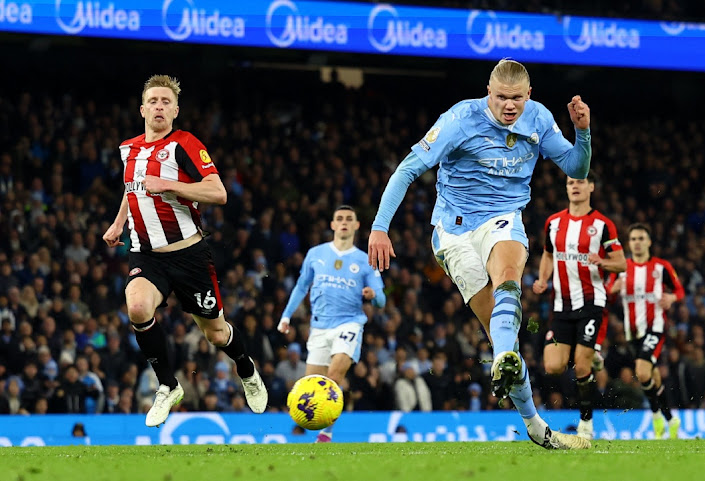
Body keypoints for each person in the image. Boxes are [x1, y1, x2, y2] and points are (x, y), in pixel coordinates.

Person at [368, 59, 591, 449]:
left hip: (503, 218)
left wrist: (583, 132)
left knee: (508, 276)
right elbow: (406, 170)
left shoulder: (537, 118)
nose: (509, 105)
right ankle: (536, 426)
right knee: (499, 329)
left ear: (529, 95)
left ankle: (504, 359)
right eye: (501, 97)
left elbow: (575, 165)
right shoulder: (459, 119)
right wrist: (379, 227)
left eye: (516, 98)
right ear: (488, 92)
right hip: (453, 232)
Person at [102, 74, 267, 427]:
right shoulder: (127, 148)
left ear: (175, 110)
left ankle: (247, 369)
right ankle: (167, 385)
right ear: (142, 108)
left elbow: (218, 192)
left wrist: (170, 185)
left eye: (166, 102)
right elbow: (133, 189)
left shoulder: (186, 144)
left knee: (217, 334)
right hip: (145, 254)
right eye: (154, 101)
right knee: (136, 305)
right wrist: (119, 223)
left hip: (188, 256)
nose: (159, 107)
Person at [278, 205, 386, 442]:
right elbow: (301, 287)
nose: (344, 222)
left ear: (357, 226)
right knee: (310, 387)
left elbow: (382, 299)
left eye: (349, 218)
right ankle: (311, 423)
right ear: (333, 225)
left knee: (334, 375)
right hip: (319, 327)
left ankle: (326, 431)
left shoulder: (365, 260)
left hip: (349, 324)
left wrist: (373, 296)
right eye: (339, 219)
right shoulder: (315, 254)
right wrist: (286, 316)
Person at [532, 172, 626, 440]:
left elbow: (621, 263)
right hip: (561, 306)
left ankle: (586, 422)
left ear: (591, 187)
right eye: (571, 183)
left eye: (580, 182)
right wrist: (541, 279)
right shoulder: (554, 223)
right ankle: (592, 357)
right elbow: (548, 255)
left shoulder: (602, 225)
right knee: (553, 366)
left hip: (591, 303)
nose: (575, 186)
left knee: (581, 367)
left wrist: (602, 262)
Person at [607, 223, 684, 440]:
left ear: (649, 241)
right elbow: (608, 294)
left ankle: (656, 415)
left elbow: (679, 290)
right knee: (652, 377)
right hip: (633, 333)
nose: (637, 243)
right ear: (629, 243)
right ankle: (670, 418)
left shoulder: (661, 267)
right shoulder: (621, 268)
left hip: (655, 328)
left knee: (642, 372)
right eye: (633, 239)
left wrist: (671, 297)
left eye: (641, 238)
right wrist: (612, 290)